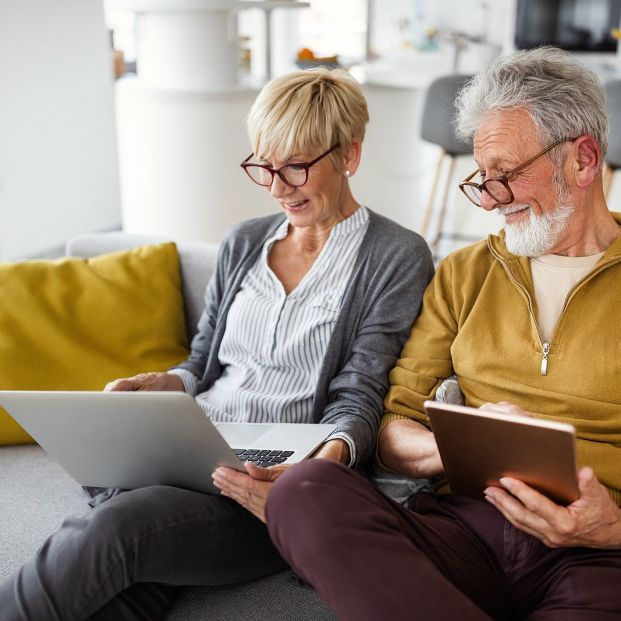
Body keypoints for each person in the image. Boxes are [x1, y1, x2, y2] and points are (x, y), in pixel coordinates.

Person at [0, 68, 433, 620]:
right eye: (264, 166)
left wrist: (320, 472)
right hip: (190, 448)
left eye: (296, 166)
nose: (278, 187)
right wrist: (165, 383)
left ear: (349, 154)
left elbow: (361, 391)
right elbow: (203, 361)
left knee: (120, 526)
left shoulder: (395, 255)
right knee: (131, 579)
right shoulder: (245, 240)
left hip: (263, 485)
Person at [266, 47, 621, 620]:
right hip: (468, 528)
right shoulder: (464, 272)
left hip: (598, 551)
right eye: (482, 178)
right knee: (303, 491)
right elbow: (393, 427)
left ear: (581, 161)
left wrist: (613, 530)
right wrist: (466, 444)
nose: (490, 200)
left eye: (505, 175)